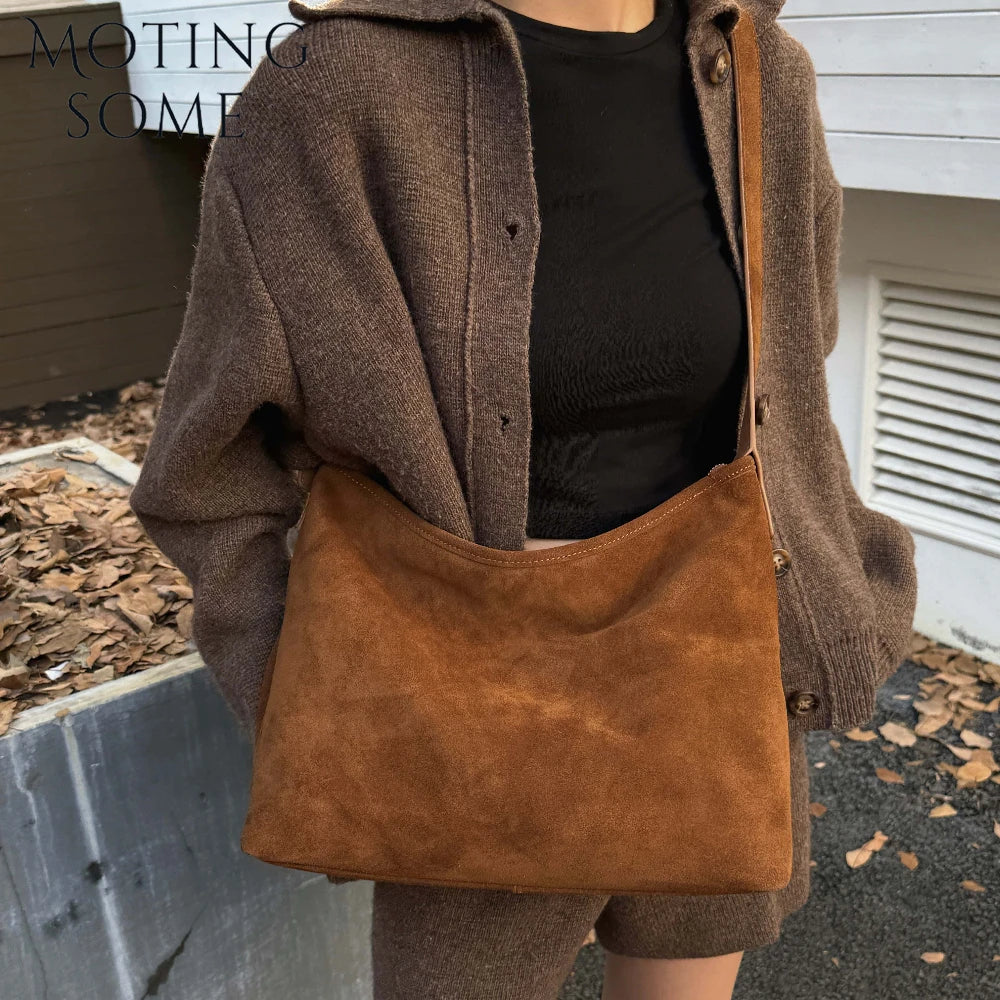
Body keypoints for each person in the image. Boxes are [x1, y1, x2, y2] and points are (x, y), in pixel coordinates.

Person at [128, 0, 918, 997]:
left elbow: (790, 372)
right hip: (464, 716)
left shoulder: (759, 74)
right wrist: (305, 695)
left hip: (718, 693)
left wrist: (840, 588)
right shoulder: (334, 90)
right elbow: (207, 471)